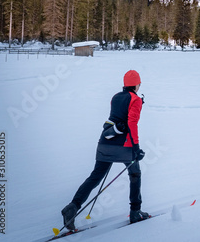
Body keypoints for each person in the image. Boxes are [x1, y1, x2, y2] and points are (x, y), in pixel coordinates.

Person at [61, 69, 149, 229]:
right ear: (137, 84)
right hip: (123, 145)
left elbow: (116, 116)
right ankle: (135, 212)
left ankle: (72, 207)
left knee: (95, 176)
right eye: (139, 83)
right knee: (135, 173)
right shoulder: (135, 99)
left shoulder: (115, 97)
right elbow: (132, 123)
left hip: (105, 140)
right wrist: (136, 148)